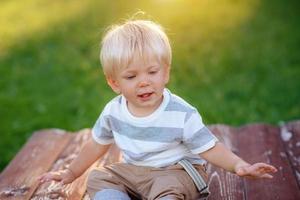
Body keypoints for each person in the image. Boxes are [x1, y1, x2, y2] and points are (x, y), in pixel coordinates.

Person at [38, 19, 277, 200]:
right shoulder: (113, 112)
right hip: (135, 171)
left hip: (176, 171)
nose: (144, 81)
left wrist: (238, 165)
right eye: (131, 76)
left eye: (152, 72)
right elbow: (96, 144)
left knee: (168, 189)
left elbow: (210, 147)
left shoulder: (180, 113)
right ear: (114, 83)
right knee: (100, 177)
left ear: (165, 73)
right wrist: (71, 173)